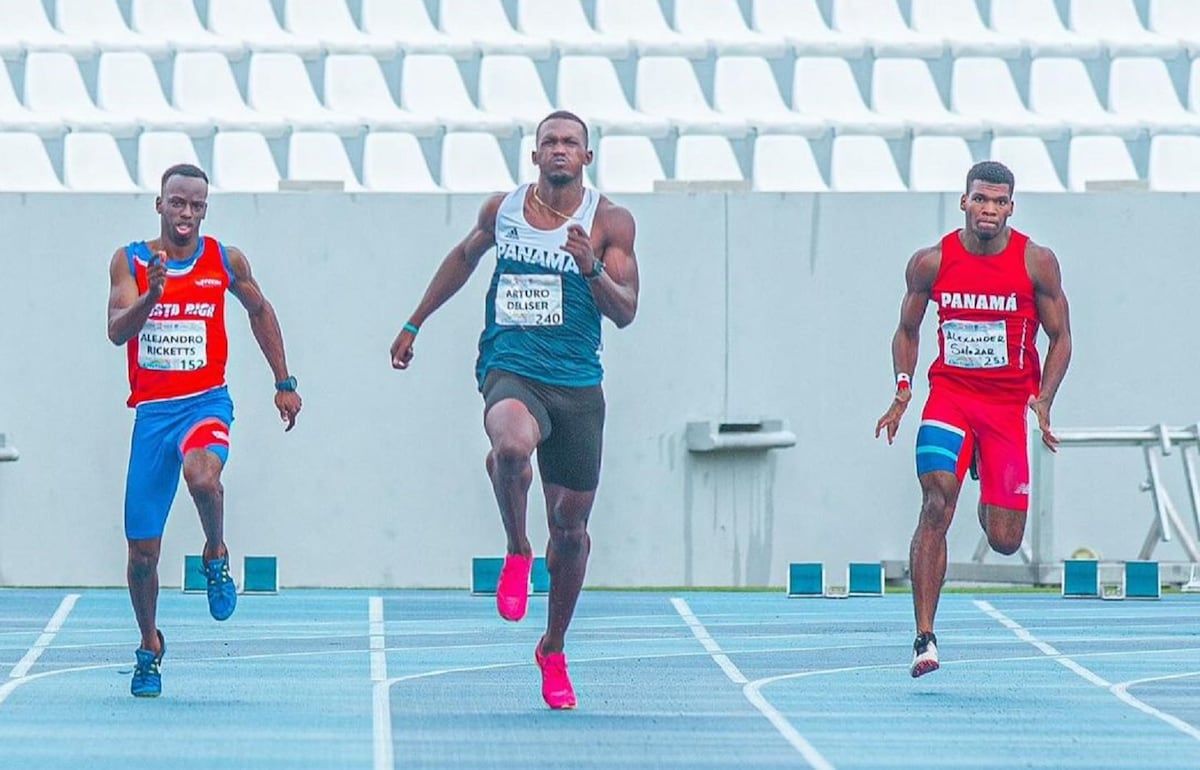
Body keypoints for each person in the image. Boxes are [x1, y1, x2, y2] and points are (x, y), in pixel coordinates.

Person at [390, 110, 640, 709]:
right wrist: (414, 321)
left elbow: (626, 310)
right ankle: (517, 549)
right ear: (534, 156)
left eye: (570, 143)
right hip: (511, 367)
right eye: (549, 142)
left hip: (577, 385)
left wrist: (592, 267)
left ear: (587, 156)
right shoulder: (501, 211)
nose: (559, 150)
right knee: (508, 446)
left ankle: (553, 648)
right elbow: (463, 259)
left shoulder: (608, 221)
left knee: (573, 533)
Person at [106, 164, 302, 697]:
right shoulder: (130, 260)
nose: (186, 214)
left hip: (204, 403)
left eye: (196, 206)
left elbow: (260, 310)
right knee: (142, 556)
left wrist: (283, 380)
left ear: (205, 209)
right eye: (177, 204)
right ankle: (150, 645)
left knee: (203, 477)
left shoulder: (224, 259)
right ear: (160, 205)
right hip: (152, 415)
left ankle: (215, 554)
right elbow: (116, 330)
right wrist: (152, 295)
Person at [874, 161, 1071, 678]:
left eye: (999, 202)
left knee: (1006, 539)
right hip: (952, 398)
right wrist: (902, 390)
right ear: (964, 201)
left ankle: (985, 469)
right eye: (980, 200)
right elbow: (907, 329)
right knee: (937, 502)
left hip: (1006, 409)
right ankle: (924, 637)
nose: (989, 210)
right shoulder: (932, 261)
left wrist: (1044, 398)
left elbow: (1062, 337)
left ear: (1011, 207)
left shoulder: (1036, 263)